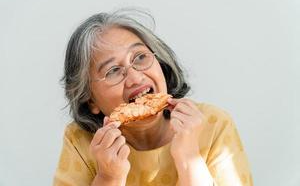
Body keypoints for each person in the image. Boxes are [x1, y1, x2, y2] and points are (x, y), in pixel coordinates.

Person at [53, 9, 253, 186]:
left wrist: (189, 160)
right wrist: (109, 178)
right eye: (113, 70)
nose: (135, 77)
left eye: (140, 57)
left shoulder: (213, 125)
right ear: (90, 100)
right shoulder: (81, 141)